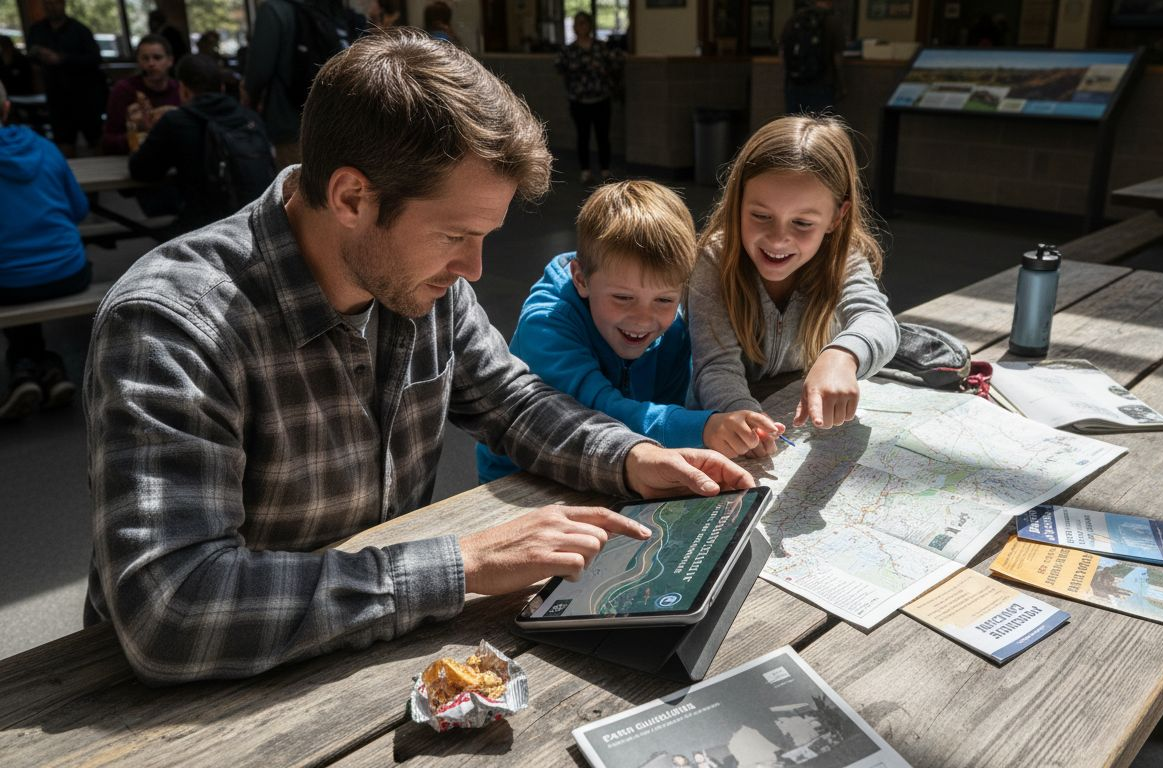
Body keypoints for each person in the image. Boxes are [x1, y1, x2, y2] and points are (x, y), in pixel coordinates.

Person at [83, 29, 753, 685]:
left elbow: (512, 401)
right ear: (352, 197)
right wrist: (459, 565)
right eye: (456, 234)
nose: (474, 267)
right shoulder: (172, 322)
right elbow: (170, 607)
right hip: (201, 696)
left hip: (372, 648)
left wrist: (631, 457)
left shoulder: (420, 282)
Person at [476, 180, 783, 482]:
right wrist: (704, 427)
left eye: (664, 299)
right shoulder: (545, 326)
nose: (643, 319)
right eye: (623, 298)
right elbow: (596, 416)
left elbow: (666, 410)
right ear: (581, 279)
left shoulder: (673, 328)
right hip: (526, 479)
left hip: (626, 467)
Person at [689, 115, 897, 455]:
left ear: (836, 217)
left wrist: (842, 356)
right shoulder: (714, 261)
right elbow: (715, 365)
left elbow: (878, 320)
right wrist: (743, 414)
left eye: (802, 222)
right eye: (760, 216)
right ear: (737, 201)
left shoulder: (843, 259)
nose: (778, 237)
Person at [0, 81, 89, 420]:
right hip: (68, 272)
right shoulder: (45, 147)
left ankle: (24, 367)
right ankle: (47, 366)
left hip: (8, 281)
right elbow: (79, 209)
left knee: (13, 273)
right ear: (7, 108)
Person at [128, 53, 272, 233]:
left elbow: (141, 170)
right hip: (257, 220)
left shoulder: (175, 121)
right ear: (221, 87)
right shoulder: (251, 118)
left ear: (183, 89)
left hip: (204, 226)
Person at [243, 0, 350, 167]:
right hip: (333, 120)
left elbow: (259, 72)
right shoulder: (327, 8)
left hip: (290, 123)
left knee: (296, 186)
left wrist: (249, 101)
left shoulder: (274, 10)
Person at [26, 0, 107, 156]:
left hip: (84, 95)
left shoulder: (80, 30)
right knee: (63, 141)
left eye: (55, 3)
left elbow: (95, 58)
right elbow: (30, 55)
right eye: (47, 4)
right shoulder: (38, 30)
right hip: (57, 95)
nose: (51, 7)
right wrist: (38, 53)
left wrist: (62, 59)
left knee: (96, 138)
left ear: (63, 4)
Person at [555, 11, 622, 185]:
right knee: (583, 136)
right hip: (579, 100)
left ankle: (605, 170)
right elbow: (560, 69)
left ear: (590, 25)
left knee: (603, 136)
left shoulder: (601, 47)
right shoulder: (568, 50)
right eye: (578, 23)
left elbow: (614, 65)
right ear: (575, 27)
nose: (582, 26)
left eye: (585, 23)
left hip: (601, 99)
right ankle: (585, 171)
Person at [102, 34, 180, 155]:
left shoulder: (180, 90)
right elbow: (108, 141)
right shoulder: (124, 90)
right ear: (138, 61)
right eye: (145, 58)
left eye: (157, 58)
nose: (151, 64)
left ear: (170, 61)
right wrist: (137, 134)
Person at [778, 0, 845, 114]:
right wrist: (841, 84)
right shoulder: (833, 21)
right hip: (822, 83)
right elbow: (837, 57)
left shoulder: (794, 19)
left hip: (795, 83)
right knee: (821, 126)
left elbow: (782, 52)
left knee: (794, 125)